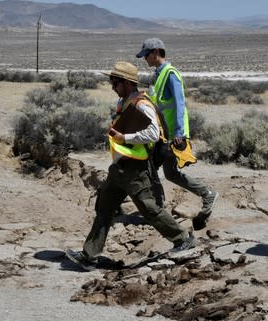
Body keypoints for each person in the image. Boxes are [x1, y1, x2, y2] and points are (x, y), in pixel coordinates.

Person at [66, 61, 196, 270]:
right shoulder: (126, 102)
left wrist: (124, 137)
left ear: (126, 83)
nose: (112, 86)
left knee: (149, 208)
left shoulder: (141, 104)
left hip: (136, 169)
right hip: (119, 168)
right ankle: (90, 256)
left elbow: (153, 133)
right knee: (104, 208)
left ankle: (183, 239)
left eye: (114, 82)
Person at [136, 38, 218, 231]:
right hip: (163, 133)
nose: (145, 59)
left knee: (151, 169)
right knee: (170, 173)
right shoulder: (159, 74)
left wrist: (180, 133)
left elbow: (180, 105)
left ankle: (158, 209)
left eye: (146, 55)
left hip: (172, 135)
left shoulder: (171, 74)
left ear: (156, 52)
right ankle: (207, 194)